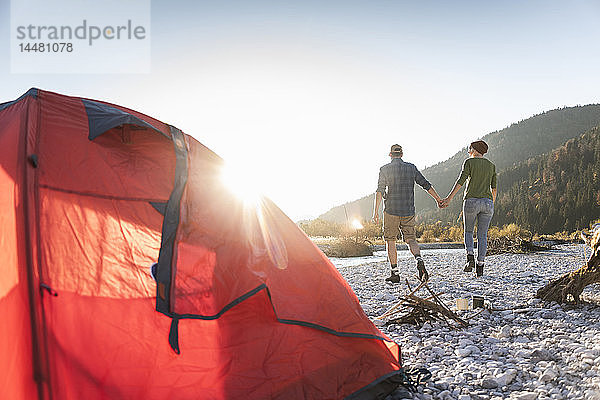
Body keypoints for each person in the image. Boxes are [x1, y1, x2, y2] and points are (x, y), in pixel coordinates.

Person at [372, 144, 444, 283]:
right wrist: (438, 199)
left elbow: (380, 191)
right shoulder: (411, 168)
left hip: (391, 210)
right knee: (411, 239)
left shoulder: (385, 169)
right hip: (408, 210)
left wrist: (375, 212)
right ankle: (419, 260)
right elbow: (425, 184)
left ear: (390, 155)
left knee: (390, 240)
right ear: (402, 154)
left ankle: (395, 273)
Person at [442, 140, 497, 277]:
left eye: (469, 148)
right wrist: (491, 203)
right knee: (482, 235)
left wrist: (448, 198)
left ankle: (470, 257)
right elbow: (494, 188)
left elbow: (460, 181)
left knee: (468, 231)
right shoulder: (491, 166)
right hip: (488, 203)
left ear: (474, 149)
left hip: (471, 201)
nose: (468, 151)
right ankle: (480, 267)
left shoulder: (469, 162)